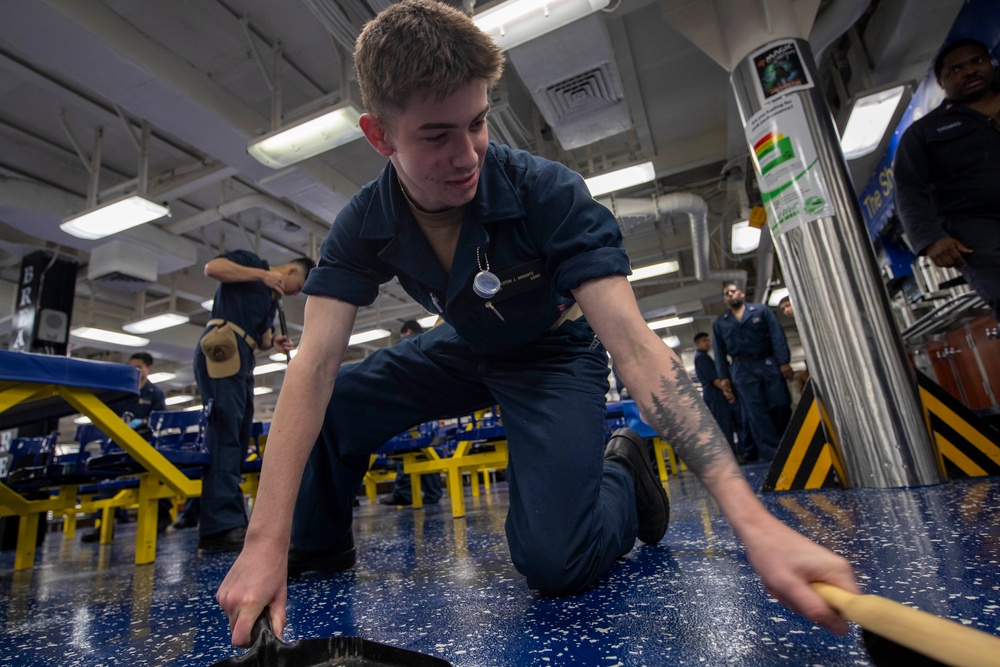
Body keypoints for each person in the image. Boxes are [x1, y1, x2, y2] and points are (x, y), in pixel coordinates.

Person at [217, 0, 857, 646]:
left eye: (479, 123)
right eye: (437, 136)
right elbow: (315, 365)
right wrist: (264, 541)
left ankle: (624, 480)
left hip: (556, 351)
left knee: (556, 561)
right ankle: (316, 546)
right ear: (380, 137)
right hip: (468, 344)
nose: (467, 154)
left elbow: (636, 349)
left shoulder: (543, 191)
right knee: (336, 399)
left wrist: (753, 523)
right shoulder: (364, 222)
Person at [194, 250, 314, 552]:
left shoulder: (272, 300)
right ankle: (219, 525)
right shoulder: (253, 263)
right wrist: (262, 275)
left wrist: (272, 342)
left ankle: (230, 519)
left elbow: (260, 339)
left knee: (238, 434)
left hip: (243, 356)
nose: (295, 292)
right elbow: (213, 267)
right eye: (298, 285)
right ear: (290, 271)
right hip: (222, 346)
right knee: (226, 432)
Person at [894, 38, 1000, 322]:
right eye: (955, 70)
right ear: (941, 83)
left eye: (977, 61)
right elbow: (908, 190)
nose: (969, 71)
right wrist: (930, 239)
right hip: (977, 228)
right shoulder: (924, 134)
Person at [81, 352, 168, 542]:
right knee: (105, 475)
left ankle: (162, 517)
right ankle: (102, 524)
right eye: (132, 366)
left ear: (148, 368)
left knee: (159, 475)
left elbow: (161, 420)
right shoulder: (124, 391)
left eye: (139, 366)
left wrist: (144, 422)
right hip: (120, 445)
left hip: (146, 444)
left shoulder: (155, 394)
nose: (135, 370)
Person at [712, 282, 792, 462]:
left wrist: (784, 362)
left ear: (741, 293)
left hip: (768, 362)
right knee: (756, 413)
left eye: (733, 291)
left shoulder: (761, 311)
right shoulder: (721, 322)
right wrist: (724, 377)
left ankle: (787, 443)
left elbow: (777, 336)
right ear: (724, 298)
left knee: (780, 404)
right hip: (742, 369)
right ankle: (774, 455)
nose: (731, 295)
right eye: (727, 293)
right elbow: (719, 351)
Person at [379, 319, 444, 506]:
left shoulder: (404, 345)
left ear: (407, 331)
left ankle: (403, 494)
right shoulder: (431, 338)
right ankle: (433, 493)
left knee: (406, 449)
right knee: (427, 450)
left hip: (409, 405)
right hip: (435, 408)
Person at [692, 332, 743, 462]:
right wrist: (727, 391)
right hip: (714, 394)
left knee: (724, 424)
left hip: (713, 393)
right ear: (697, 344)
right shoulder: (701, 358)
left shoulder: (703, 356)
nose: (707, 343)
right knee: (724, 424)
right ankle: (730, 457)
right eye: (704, 341)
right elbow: (714, 379)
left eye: (708, 340)